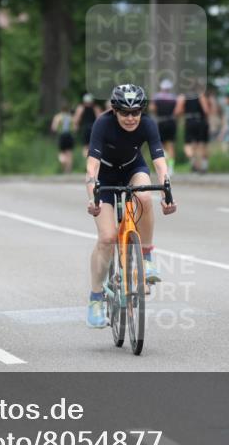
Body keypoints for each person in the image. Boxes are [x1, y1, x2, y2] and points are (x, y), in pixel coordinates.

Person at [84, 84, 176, 328]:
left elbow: (159, 162)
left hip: (133, 168)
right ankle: (95, 299)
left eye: (136, 112)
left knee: (145, 197)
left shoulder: (147, 124)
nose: (131, 118)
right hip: (105, 176)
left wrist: (166, 190)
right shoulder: (102, 124)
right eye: (125, 112)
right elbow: (91, 167)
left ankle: (145, 258)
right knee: (107, 238)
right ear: (114, 111)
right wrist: (92, 196)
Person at [176, 83, 213, 174]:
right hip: (200, 121)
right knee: (202, 144)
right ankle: (204, 166)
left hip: (189, 121)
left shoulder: (183, 97)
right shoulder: (201, 96)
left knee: (188, 144)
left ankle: (193, 161)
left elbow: (178, 111)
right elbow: (206, 110)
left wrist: (186, 111)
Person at [151, 79, 178, 174]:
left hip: (161, 122)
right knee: (170, 145)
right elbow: (177, 111)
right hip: (171, 122)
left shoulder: (157, 97)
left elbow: (152, 108)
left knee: (161, 145)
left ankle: (165, 164)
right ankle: (171, 167)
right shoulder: (174, 97)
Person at [72, 93, 100, 161]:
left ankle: (86, 162)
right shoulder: (95, 108)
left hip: (85, 128)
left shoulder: (81, 107)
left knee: (85, 146)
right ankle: (93, 160)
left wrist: (76, 127)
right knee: (94, 146)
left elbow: (76, 119)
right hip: (94, 128)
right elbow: (99, 118)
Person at [50, 103, 75, 174]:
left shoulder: (58, 117)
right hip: (69, 135)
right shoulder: (71, 117)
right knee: (69, 153)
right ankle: (68, 170)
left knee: (61, 153)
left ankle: (64, 163)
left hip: (62, 136)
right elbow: (75, 128)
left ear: (61, 110)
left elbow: (53, 128)